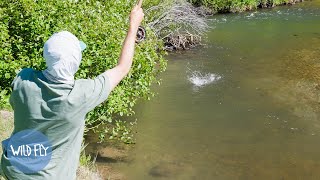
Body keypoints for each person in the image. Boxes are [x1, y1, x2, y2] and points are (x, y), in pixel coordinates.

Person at [0, 3, 144, 180]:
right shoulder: (81, 95)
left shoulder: (23, 79)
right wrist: (133, 28)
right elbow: (123, 67)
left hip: (13, 170)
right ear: (76, 61)